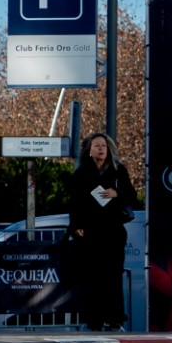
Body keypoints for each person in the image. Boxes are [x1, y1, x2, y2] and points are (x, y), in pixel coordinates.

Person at [68, 132, 137, 332]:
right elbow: (74, 203)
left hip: (113, 231)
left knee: (113, 276)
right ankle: (94, 319)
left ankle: (115, 318)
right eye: (97, 145)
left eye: (104, 146)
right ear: (89, 150)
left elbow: (132, 196)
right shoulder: (81, 174)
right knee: (92, 277)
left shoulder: (118, 171)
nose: (101, 149)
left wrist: (118, 193)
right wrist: (76, 225)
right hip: (90, 232)